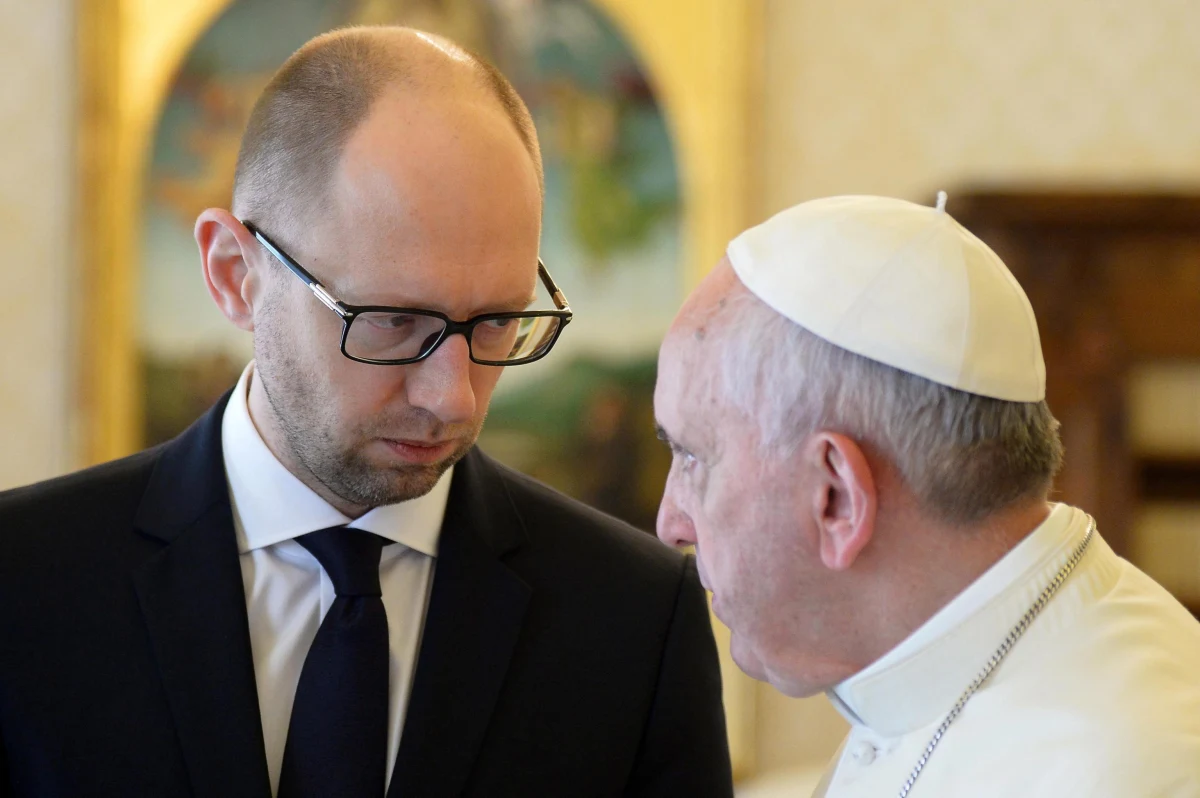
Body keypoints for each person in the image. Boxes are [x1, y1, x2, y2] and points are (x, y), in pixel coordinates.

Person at [0, 27, 732, 798]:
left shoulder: (634, 621)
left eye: (496, 322)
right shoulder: (20, 586)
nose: (451, 396)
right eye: (390, 320)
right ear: (234, 275)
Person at [654, 193, 1200, 797]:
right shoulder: (946, 663)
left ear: (836, 498)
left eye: (693, 457)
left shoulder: (1125, 773)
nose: (670, 523)